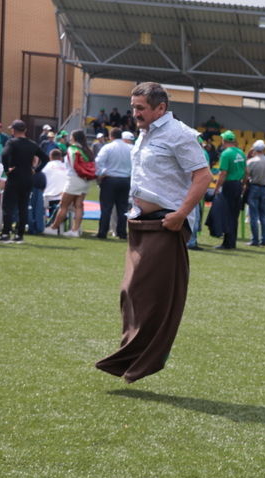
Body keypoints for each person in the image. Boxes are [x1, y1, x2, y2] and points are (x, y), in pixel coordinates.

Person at [96, 82, 211, 384]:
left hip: (164, 222)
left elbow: (203, 176)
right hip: (139, 222)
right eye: (133, 107)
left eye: (140, 108)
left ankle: (150, 354)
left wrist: (181, 214)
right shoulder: (144, 134)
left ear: (161, 108)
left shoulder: (180, 135)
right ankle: (134, 353)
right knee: (130, 291)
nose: (134, 113)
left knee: (147, 293)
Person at [0, 119, 49, 243]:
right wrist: (36, 169)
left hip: (14, 176)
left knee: (8, 206)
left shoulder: (12, 142)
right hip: (28, 177)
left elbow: (5, 155)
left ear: (13, 130)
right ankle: (19, 235)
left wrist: (6, 169)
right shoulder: (32, 144)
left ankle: (6, 233)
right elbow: (45, 158)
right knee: (23, 206)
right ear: (25, 130)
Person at [49, 129, 95, 238]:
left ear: (75, 138)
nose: (70, 138)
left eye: (71, 136)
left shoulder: (72, 149)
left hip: (74, 179)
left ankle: (53, 228)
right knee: (79, 206)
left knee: (63, 205)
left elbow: (73, 165)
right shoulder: (87, 150)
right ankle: (75, 230)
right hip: (85, 180)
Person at [94, 127, 132, 239]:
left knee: (106, 208)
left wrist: (101, 173)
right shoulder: (130, 148)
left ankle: (103, 232)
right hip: (125, 179)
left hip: (110, 179)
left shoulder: (108, 147)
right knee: (122, 208)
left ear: (111, 136)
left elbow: (98, 161)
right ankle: (122, 232)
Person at [214, 130, 245, 249]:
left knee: (227, 214)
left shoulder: (226, 154)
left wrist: (217, 188)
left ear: (224, 140)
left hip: (229, 185)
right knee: (234, 215)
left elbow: (223, 173)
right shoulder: (241, 153)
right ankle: (232, 242)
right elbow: (246, 172)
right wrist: (243, 185)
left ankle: (227, 243)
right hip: (238, 184)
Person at [245, 139, 265, 246]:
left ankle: (255, 240)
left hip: (254, 187)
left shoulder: (251, 162)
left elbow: (247, 176)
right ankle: (264, 239)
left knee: (253, 215)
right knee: (263, 216)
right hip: (264, 188)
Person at [42, 148, 67, 234]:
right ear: (61, 158)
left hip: (50, 196)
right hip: (66, 196)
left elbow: (42, 180)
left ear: (50, 157)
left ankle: (49, 224)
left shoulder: (47, 166)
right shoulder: (65, 166)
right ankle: (60, 222)